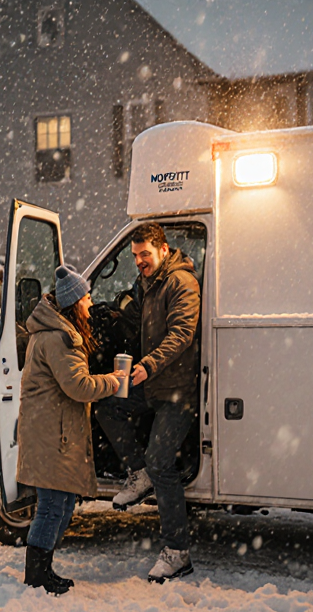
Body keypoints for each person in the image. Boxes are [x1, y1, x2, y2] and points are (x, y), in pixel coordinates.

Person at [96, 222, 201, 583]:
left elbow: (181, 334)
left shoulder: (181, 283)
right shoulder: (149, 282)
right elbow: (136, 315)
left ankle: (177, 552)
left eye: (145, 254)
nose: (139, 261)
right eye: (135, 255)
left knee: (161, 462)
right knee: (108, 407)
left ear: (164, 250)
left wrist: (148, 364)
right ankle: (138, 474)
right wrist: (112, 315)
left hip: (176, 391)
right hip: (152, 384)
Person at [16, 265, 125, 594]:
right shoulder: (59, 338)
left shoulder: (56, 332)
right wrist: (113, 381)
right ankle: (37, 574)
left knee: (59, 505)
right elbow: (78, 386)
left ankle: (42, 569)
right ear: (75, 302)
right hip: (51, 433)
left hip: (51, 429)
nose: (91, 303)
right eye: (87, 298)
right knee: (52, 506)